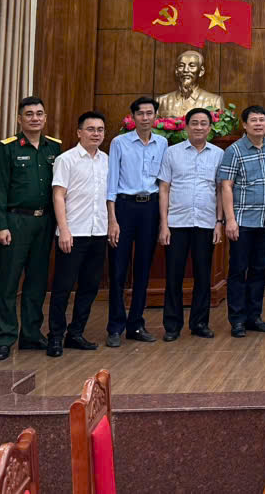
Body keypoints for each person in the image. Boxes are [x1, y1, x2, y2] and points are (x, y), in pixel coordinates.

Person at [0, 97, 62, 361]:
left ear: (45, 118)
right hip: (15, 222)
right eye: (29, 114)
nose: (35, 118)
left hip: (44, 222)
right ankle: (4, 338)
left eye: (39, 113)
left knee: (37, 281)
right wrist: (0, 226)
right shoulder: (6, 148)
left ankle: (31, 334)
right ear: (19, 119)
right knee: (9, 282)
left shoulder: (54, 147)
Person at [105, 96, 167, 348]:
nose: (145, 117)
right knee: (118, 269)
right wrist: (112, 219)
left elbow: (163, 183)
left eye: (149, 113)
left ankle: (136, 324)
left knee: (143, 268)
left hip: (150, 208)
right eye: (140, 113)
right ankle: (115, 327)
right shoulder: (119, 143)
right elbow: (111, 183)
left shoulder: (163, 143)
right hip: (124, 207)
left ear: (156, 117)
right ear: (132, 117)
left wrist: (163, 220)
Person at [158, 108, 224, 340]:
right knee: (174, 276)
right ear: (186, 127)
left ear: (210, 127)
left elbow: (220, 190)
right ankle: (172, 326)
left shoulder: (218, 154)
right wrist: (164, 224)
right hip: (177, 223)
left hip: (206, 223)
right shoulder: (172, 153)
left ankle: (200, 323)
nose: (199, 127)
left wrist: (219, 222)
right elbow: (164, 188)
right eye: (194, 123)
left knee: (203, 276)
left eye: (203, 123)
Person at [47, 112, 110, 356]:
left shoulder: (106, 160)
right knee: (63, 287)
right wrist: (63, 229)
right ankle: (55, 336)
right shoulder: (66, 159)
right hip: (73, 232)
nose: (96, 134)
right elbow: (58, 195)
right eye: (91, 129)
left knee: (90, 286)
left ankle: (76, 333)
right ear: (79, 132)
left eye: (100, 130)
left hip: (98, 231)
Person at [218, 105, 265, 338]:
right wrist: (230, 220)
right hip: (242, 221)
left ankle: (254, 317)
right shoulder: (234, 150)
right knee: (238, 270)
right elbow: (226, 186)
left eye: (262, 120)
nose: (258, 124)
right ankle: (237, 320)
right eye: (253, 120)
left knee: (259, 271)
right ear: (244, 125)